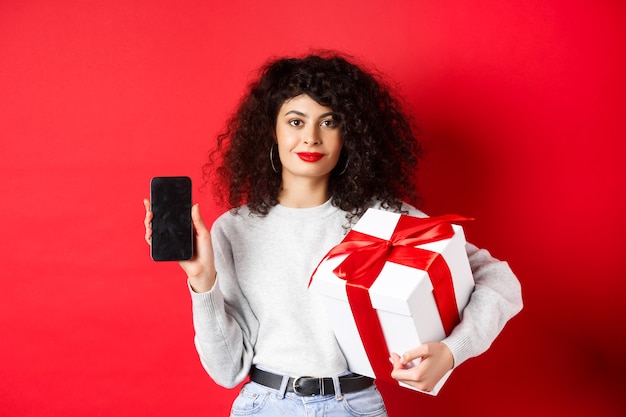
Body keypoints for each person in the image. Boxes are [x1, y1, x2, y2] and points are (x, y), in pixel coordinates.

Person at [143, 51, 523, 416]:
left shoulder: (384, 221)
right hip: (265, 407)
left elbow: (499, 280)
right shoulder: (233, 229)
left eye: (329, 122)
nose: (311, 137)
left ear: (350, 135)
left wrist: (452, 351)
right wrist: (202, 282)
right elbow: (226, 371)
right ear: (271, 131)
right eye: (295, 121)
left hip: (355, 407)